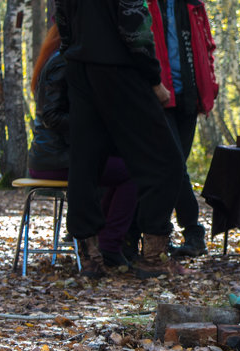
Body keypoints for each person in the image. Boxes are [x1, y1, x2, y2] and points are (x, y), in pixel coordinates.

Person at [53, 0, 183, 279]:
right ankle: (152, 255)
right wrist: (152, 77)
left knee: (85, 161)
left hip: (79, 70)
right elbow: (134, 22)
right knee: (166, 158)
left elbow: (63, 23)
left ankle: (90, 255)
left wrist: (77, 55)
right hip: (119, 70)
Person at [28, 26, 152, 277]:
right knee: (131, 173)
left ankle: (105, 242)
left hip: (60, 154)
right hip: (54, 158)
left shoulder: (67, 59)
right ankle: (107, 245)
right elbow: (52, 116)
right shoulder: (62, 61)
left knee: (123, 166)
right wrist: (92, 125)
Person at [144, 0, 219, 258]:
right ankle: (190, 231)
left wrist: (209, 91)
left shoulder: (193, 5)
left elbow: (206, 52)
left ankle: (180, 236)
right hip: (156, 97)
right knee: (172, 165)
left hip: (188, 98)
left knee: (177, 167)